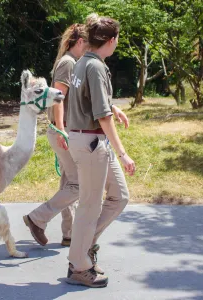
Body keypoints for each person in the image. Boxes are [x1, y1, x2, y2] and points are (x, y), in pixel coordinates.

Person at [23, 22, 129, 253]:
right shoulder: (69, 63)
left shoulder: (78, 63)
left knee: (70, 183)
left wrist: (112, 107)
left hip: (70, 131)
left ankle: (69, 234)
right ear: (80, 42)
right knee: (77, 185)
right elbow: (59, 99)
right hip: (66, 130)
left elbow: (87, 98)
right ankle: (39, 218)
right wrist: (61, 129)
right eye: (87, 42)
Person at [63, 14, 135, 288]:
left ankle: (85, 246)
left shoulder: (85, 62)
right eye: (117, 39)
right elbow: (102, 117)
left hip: (87, 141)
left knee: (119, 196)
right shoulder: (94, 67)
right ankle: (79, 266)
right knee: (89, 207)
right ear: (111, 39)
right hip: (92, 143)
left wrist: (111, 106)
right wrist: (123, 153)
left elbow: (90, 100)